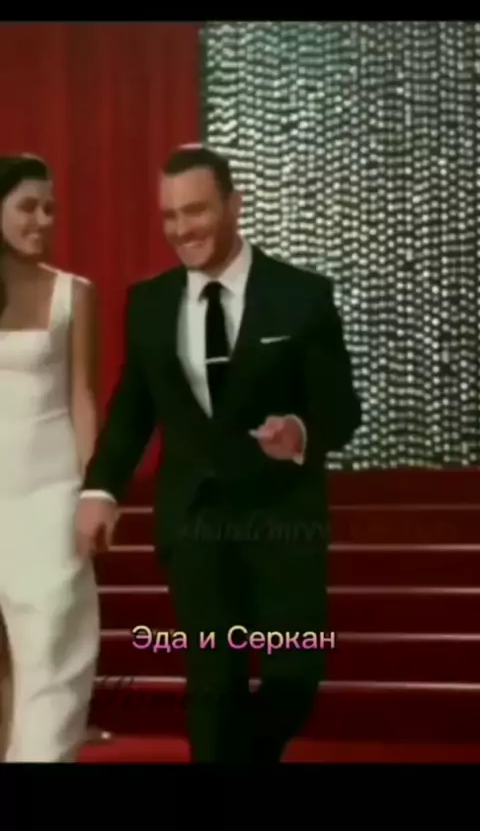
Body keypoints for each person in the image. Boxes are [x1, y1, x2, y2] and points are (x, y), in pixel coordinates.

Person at [77, 145, 362, 763]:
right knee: (214, 681)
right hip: (196, 521)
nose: (182, 229)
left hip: (284, 519)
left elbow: (342, 411)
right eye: (170, 215)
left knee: (295, 675)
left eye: (197, 211)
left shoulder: (301, 295)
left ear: (234, 205)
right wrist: (100, 489)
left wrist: (301, 430)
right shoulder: (151, 303)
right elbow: (132, 413)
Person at [0, 154, 108, 761]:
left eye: (49, 209)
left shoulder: (75, 293)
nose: (42, 219)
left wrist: (92, 493)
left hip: (50, 498)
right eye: (27, 207)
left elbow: (82, 398)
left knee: (52, 650)